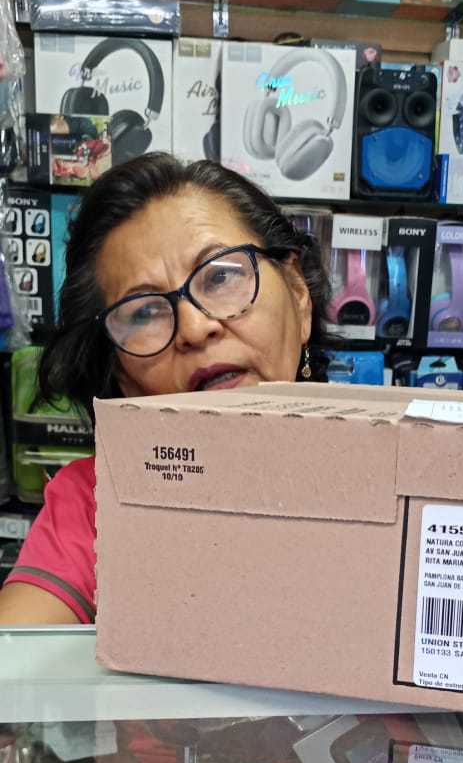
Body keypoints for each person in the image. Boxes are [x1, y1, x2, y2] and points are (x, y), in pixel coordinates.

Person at [0, 154, 329, 627]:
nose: (194, 328)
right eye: (143, 312)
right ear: (120, 374)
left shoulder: (400, 466)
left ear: (298, 294)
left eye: (220, 276)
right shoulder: (94, 502)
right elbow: (19, 647)